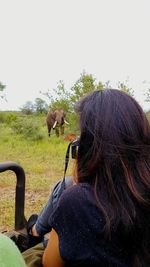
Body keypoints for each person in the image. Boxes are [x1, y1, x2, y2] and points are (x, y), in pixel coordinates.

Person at [23, 89, 150, 267]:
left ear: (89, 144)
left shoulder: (77, 200)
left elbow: (50, 263)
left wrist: (80, 178)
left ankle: (35, 231)